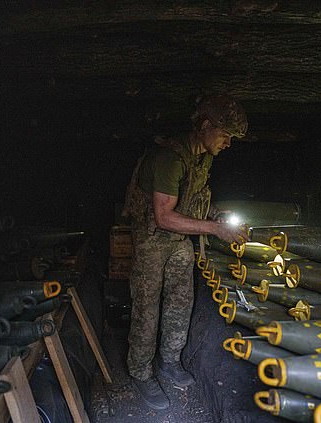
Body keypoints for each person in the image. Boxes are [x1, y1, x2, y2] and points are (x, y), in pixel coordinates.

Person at [121, 94, 250, 410]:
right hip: (153, 239)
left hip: (180, 240)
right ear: (206, 126)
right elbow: (164, 217)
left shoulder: (202, 158)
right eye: (226, 135)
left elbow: (191, 201)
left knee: (181, 302)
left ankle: (170, 362)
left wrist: (212, 217)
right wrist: (215, 230)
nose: (228, 144)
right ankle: (140, 371)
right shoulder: (170, 158)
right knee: (147, 307)